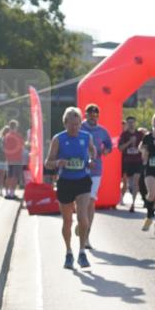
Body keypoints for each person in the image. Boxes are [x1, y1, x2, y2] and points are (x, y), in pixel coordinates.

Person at [44, 107, 96, 269]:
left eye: (78, 124)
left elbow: (93, 153)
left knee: (82, 216)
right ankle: (68, 252)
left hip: (82, 181)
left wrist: (91, 161)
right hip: (65, 181)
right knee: (67, 221)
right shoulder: (58, 139)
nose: (75, 128)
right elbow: (48, 163)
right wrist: (58, 163)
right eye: (72, 124)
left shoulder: (86, 137)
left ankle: (82, 252)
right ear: (65, 123)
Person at [80, 103, 113, 249]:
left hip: (96, 170)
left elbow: (109, 145)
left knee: (91, 201)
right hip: (79, 170)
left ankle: (86, 235)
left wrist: (106, 150)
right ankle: (81, 223)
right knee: (81, 202)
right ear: (85, 115)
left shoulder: (102, 131)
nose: (93, 118)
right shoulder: (79, 128)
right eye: (90, 115)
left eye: (95, 115)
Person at [119, 116, 144, 212]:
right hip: (127, 162)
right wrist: (130, 141)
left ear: (135, 123)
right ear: (127, 123)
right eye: (129, 122)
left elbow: (145, 147)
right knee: (129, 183)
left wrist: (141, 149)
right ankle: (126, 194)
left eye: (133, 122)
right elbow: (120, 148)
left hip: (138, 161)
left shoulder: (140, 134)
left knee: (136, 182)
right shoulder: (124, 135)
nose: (131, 124)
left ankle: (133, 204)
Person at [3, 120, 25, 200]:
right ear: (16, 127)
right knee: (15, 176)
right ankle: (12, 193)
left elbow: (4, 147)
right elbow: (22, 146)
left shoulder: (7, 136)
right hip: (17, 158)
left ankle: (7, 192)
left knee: (8, 176)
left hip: (8, 159)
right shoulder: (18, 136)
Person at [0, 126, 9, 197]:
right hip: (5, 159)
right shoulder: (8, 139)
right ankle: (6, 191)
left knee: (2, 175)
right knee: (5, 175)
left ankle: (1, 191)